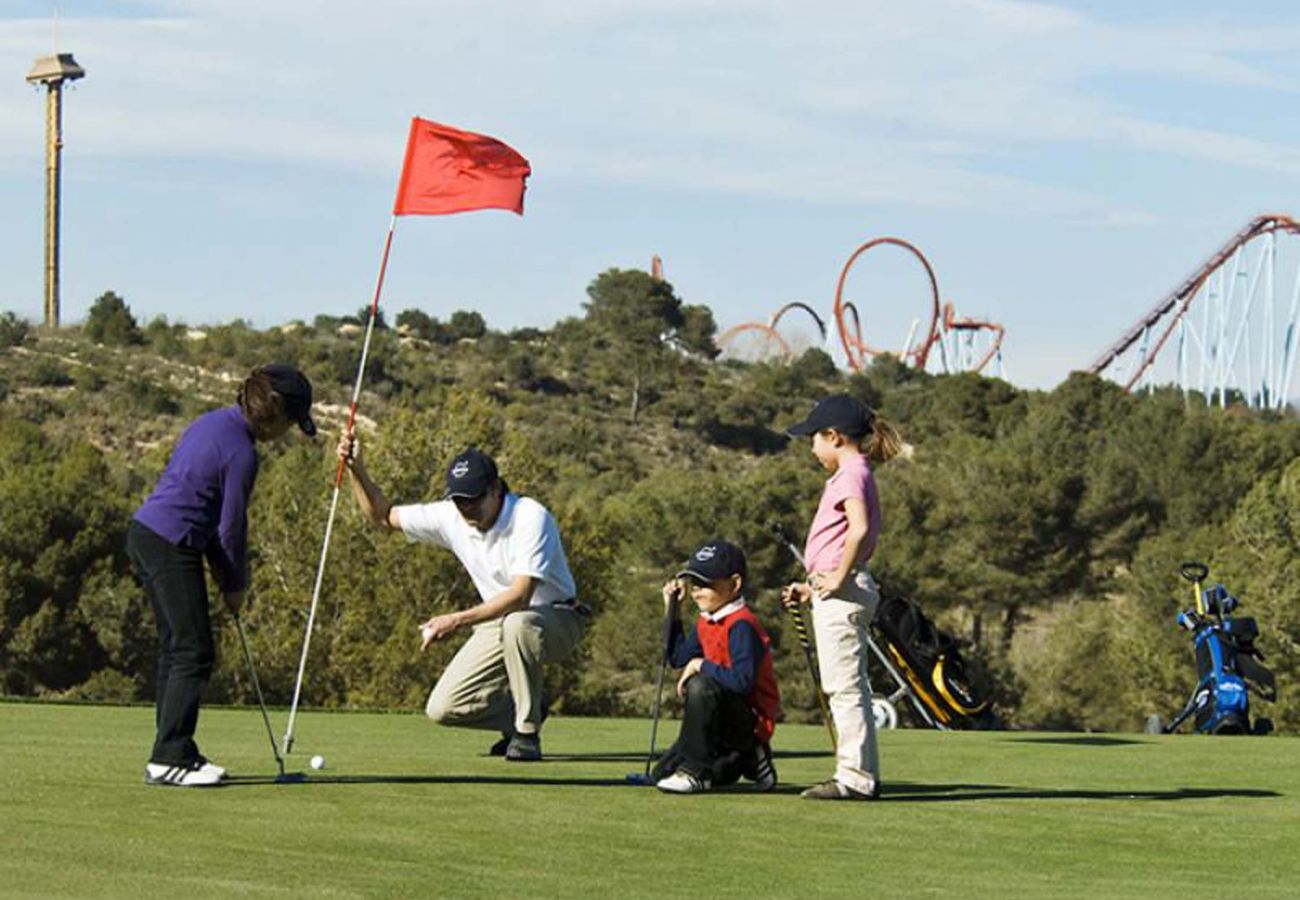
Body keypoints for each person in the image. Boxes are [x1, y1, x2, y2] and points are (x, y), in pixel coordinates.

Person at [337, 435, 587, 762]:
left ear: (496, 489)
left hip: (558, 618)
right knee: (443, 708)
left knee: (518, 623)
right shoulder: (452, 516)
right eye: (459, 500)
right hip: (499, 622)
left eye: (473, 499)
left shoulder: (530, 516)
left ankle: (526, 733)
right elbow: (383, 516)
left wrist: (455, 620)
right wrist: (358, 469)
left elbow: (521, 595)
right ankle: (527, 709)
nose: (466, 508)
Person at [128, 364, 317, 787]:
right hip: (169, 542)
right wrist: (235, 584)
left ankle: (174, 750)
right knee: (194, 651)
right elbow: (230, 527)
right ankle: (169, 757)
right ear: (277, 413)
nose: (288, 432)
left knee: (178, 648)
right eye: (291, 422)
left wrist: (222, 573)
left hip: (149, 535)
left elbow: (211, 517)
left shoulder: (211, 422)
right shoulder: (242, 453)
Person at [781, 393, 905, 800]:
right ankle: (858, 774)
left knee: (844, 687)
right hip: (840, 587)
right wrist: (813, 584)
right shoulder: (855, 471)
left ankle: (854, 778)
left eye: (814, 439)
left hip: (844, 590)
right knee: (849, 685)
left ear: (833, 436)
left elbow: (858, 528)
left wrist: (836, 577)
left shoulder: (851, 474)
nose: (812, 448)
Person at [652, 539, 780, 795]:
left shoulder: (742, 625)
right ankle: (751, 761)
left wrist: (701, 665)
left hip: (748, 723)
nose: (697, 590)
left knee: (701, 684)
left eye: (707, 584)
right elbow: (677, 658)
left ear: (735, 584)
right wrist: (672, 611)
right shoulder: (707, 622)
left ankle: (696, 772)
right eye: (694, 583)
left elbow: (742, 682)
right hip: (721, 719)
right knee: (660, 774)